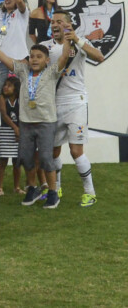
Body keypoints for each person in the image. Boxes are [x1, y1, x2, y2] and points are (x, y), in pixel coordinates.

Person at [0, 39, 70, 209]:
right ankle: (32, 189)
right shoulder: (23, 71)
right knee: (26, 158)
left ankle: (53, 193)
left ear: (47, 60)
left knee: (45, 158)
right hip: (26, 123)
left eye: (39, 56)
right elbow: (7, 60)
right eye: (32, 56)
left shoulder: (52, 72)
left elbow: (64, 57)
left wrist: (68, 39)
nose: (35, 59)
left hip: (46, 122)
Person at [41, 11, 104, 207]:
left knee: (76, 151)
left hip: (76, 102)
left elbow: (99, 57)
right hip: (53, 102)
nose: (55, 25)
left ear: (69, 25)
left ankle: (89, 192)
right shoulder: (45, 46)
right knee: (53, 151)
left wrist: (77, 39)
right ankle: (56, 188)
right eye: (53, 22)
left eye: (59, 21)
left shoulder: (80, 43)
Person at [0, 76, 23, 196]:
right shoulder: (2, 98)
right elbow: (4, 115)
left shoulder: (20, 100)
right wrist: (15, 128)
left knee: (17, 162)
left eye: (9, 85)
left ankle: (17, 186)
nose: (5, 87)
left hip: (18, 132)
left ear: (16, 89)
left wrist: (19, 130)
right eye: (5, 85)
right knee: (3, 160)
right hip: (6, 131)